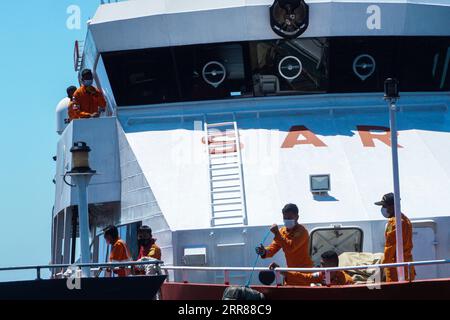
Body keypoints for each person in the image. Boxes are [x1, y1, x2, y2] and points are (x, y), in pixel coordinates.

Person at [256, 203, 314, 286]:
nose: (287, 220)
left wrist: (277, 233)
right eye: (285, 218)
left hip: (304, 272)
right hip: (290, 272)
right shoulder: (282, 232)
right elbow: (273, 249)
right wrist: (264, 251)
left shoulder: (302, 232)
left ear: (297, 217)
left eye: (289, 218)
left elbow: (290, 247)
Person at [375, 193, 415, 282]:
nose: (383, 209)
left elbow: (390, 248)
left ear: (392, 206)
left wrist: (382, 267)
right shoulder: (405, 219)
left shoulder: (395, 223)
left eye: (384, 206)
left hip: (396, 269)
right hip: (407, 267)